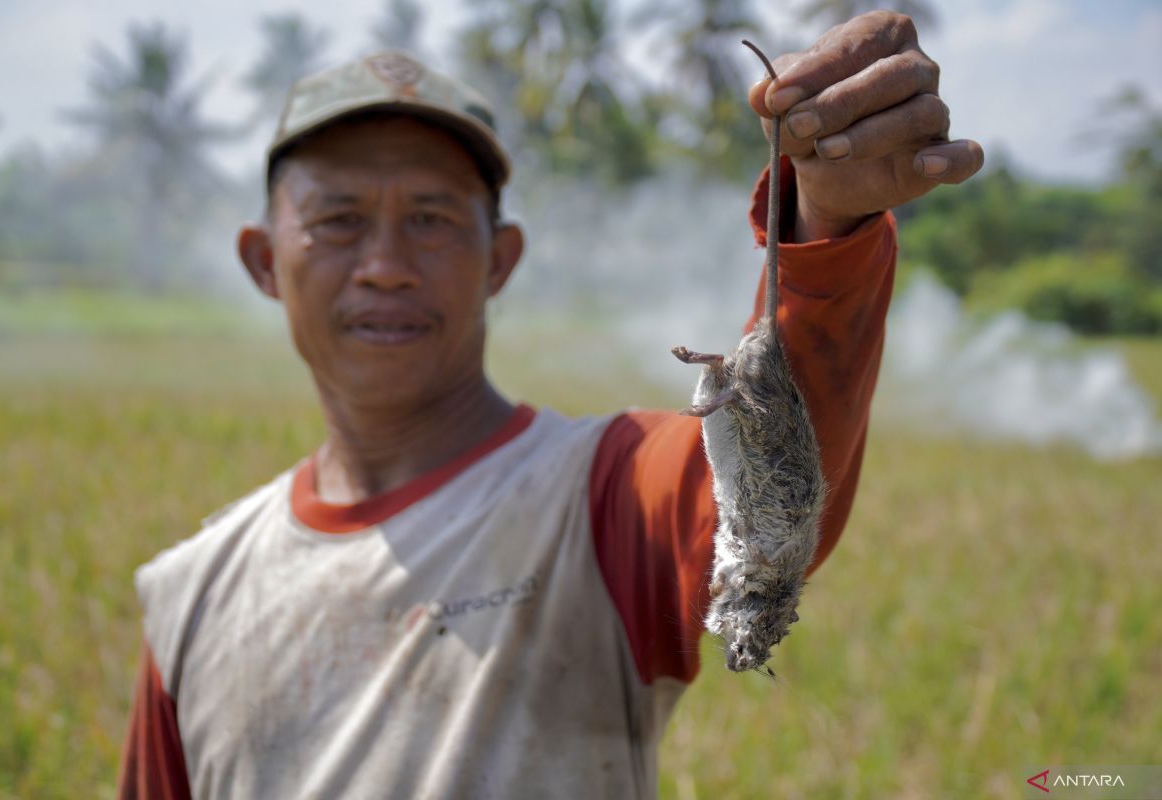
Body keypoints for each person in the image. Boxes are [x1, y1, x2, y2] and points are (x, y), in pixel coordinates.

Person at [117, 11, 983, 799]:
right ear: (265, 261)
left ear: (501, 258)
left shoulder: (597, 499)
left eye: (431, 218)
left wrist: (825, 222)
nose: (384, 263)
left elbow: (754, 514)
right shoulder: (191, 599)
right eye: (338, 219)